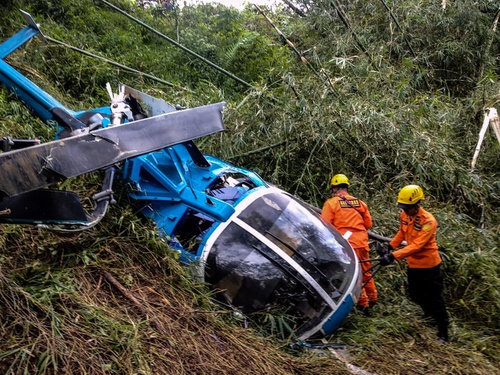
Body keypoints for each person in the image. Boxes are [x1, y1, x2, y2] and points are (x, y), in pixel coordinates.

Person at [380, 184, 449, 342]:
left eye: (408, 207)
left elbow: (417, 246)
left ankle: (443, 332)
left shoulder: (428, 221)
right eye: (403, 207)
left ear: (416, 204)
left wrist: (393, 256)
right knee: (415, 294)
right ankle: (429, 316)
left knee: (435, 298)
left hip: (429, 267)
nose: (405, 210)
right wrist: (389, 247)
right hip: (414, 266)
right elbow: (401, 233)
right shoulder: (405, 215)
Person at [321, 174, 377, 315]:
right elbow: (368, 224)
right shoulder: (360, 203)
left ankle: (364, 305)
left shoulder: (331, 203)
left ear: (334, 188)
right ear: (347, 187)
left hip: (348, 244)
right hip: (362, 241)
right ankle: (373, 298)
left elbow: (324, 224)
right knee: (366, 271)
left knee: (355, 274)